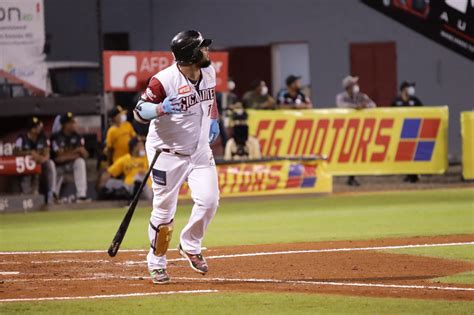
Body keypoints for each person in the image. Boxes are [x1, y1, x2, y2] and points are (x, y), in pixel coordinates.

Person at [133, 30, 220, 285]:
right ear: (191, 55)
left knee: (209, 201)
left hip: (200, 151)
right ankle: (156, 262)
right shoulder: (163, 81)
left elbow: (210, 99)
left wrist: (214, 119)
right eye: (202, 48)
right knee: (164, 211)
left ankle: (190, 244)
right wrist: (160, 108)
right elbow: (139, 111)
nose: (207, 51)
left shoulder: (209, 71)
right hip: (167, 153)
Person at [336, 75, 376, 186]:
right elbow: (341, 105)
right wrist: (355, 107)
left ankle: (352, 177)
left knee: (355, 153)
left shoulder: (361, 96)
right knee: (347, 153)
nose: (356, 86)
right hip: (345, 129)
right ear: (348, 87)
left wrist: (364, 106)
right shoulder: (341, 97)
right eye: (353, 84)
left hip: (359, 129)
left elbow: (373, 105)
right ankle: (348, 176)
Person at [14, 117, 57, 204]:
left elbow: (47, 153)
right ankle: (26, 196)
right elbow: (16, 152)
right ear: (31, 129)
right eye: (36, 127)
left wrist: (41, 159)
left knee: (50, 163)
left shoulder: (43, 137)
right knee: (30, 164)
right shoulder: (22, 138)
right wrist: (30, 153)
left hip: (40, 164)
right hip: (25, 167)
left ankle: (50, 194)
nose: (39, 128)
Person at [50, 112, 90, 202]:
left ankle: (81, 195)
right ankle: (53, 196)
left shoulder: (77, 136)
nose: (75, 124)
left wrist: (68, 154)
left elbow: (85, 155)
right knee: (53, 167)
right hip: (58, 166)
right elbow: (59, 157)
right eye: (72, 122)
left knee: (80, 162)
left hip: (71, 164)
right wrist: (76, 152)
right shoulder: (56, 137)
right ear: (65, 125)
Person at [392, 81, 423, 183]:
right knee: (403, 154)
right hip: (399, 131)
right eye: (409, 87)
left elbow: (425, 112)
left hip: (413, 131)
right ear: (403, 89)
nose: (411, 89)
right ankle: (408, 174)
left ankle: (414, 174)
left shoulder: (415, 101)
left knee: (413, 153)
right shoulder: (396, 101)